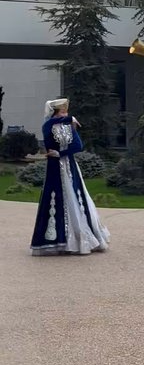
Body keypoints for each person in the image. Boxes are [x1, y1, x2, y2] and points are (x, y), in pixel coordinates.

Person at [31, 98, 109, 256]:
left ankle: (80, 237)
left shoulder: (68, 126)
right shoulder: (48, 125)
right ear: (55, 112)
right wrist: (69, 119)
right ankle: (57, 239)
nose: (65, 113)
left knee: (76, 196)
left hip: (70, 165)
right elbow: (49, 143)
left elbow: (77, 146)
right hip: (54, 167)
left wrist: (61, 152)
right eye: (62, 111)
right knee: (57, 197)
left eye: (66, 111)